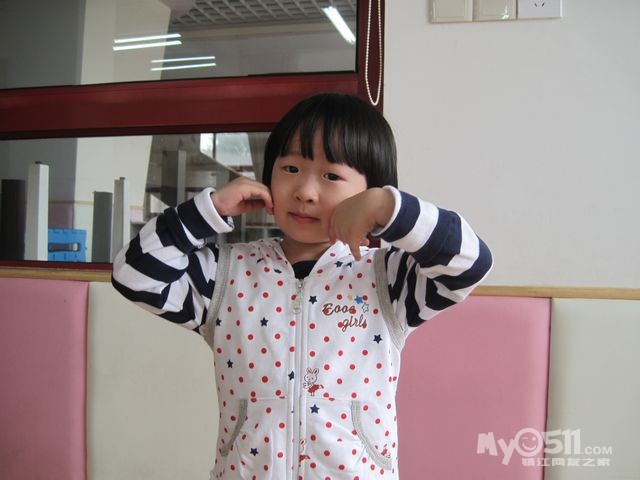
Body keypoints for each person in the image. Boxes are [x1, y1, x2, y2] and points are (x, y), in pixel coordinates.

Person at [112, 92, 492, 480]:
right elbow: (133, 274)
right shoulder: (224, 274)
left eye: (331, 176)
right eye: (290, 168)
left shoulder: (388, 278)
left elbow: (470, 262)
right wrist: (206, 212)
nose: (305, 192)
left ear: (369, 191)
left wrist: (388, 208)